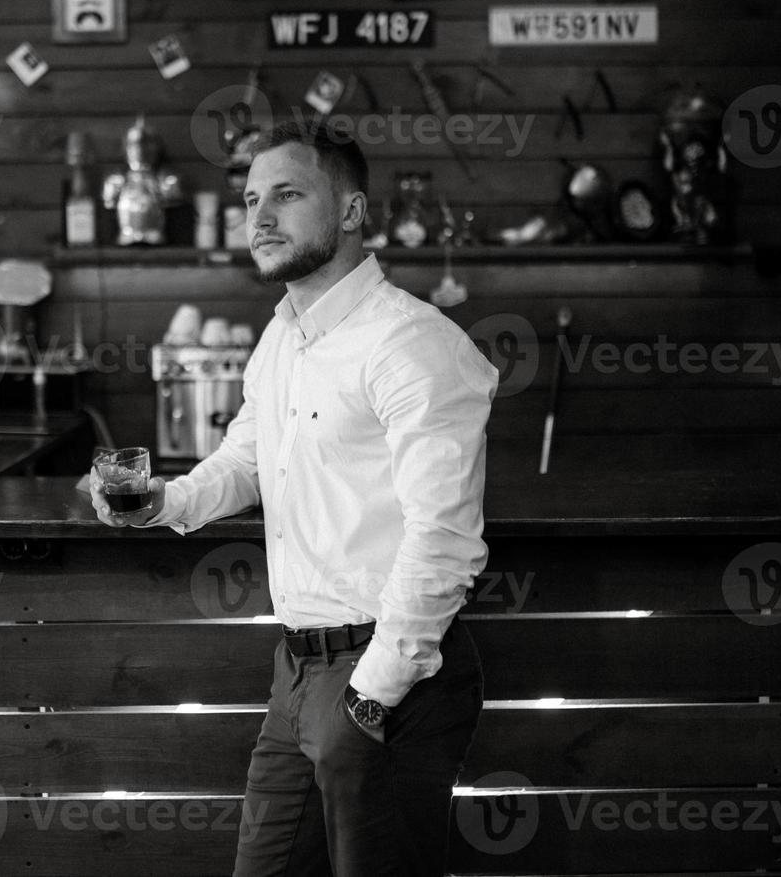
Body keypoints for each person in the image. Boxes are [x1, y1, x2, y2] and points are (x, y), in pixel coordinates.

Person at [87, 121, 498, 875]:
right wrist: (163, 501)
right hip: (297, 670)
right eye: (250, 199)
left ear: (349, 212)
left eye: (286, 194)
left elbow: (443, 539)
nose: (261, 217)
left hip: (386, 672)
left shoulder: (413, 344)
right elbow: (248, 455)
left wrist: (371, 697)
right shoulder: (284, 334)